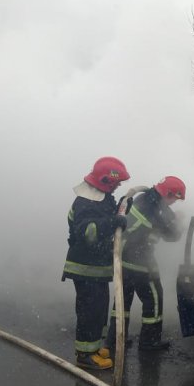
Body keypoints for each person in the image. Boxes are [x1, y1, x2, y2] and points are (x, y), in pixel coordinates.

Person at [62, 156, 130, 370]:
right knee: (89, 312)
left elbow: (105, 218)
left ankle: (93, 347)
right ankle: (85, 355)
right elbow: (89, 232)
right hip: (85, 268)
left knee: (99, 311)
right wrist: (113, 222)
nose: (118, 186)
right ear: (105, 180)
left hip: (97, 268)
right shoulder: (85, 201)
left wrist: (122, 207)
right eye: (116, 182)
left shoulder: (102, 197)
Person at [106, 176, 186, 351]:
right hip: (139, 261)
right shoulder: (157, 209)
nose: (174, 203)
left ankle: (116, 339)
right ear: (168, 194)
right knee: (154, 300)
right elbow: (173, 235)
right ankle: (149, 342)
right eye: (174, 199)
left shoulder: (142, 198)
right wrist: (178, 221)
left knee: (122, 302)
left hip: (122, 258)